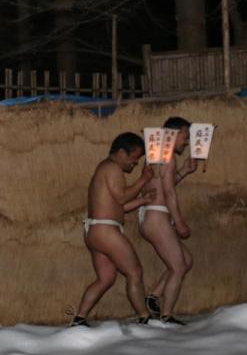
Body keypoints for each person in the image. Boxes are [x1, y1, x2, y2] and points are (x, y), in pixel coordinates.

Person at [71, 132, 156, 326]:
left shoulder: (104, 168)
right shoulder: (112, 168)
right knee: (135, 272)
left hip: (95, 231)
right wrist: (143, 180)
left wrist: (143, 200)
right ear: (121, 153)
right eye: (134, 158)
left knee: (106, 278)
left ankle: (79, 318)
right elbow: (122, 197)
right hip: (106, 231)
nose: (135, 163)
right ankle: (144, 317)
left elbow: (120, 206)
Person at [138, 116, 195, 324]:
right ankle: (166, 316)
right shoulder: (167, 155)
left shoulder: (156, 153)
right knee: (178, 267)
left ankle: (153, 297)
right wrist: (179, 222)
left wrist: (184, 171)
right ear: (174, 133)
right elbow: (169, 193)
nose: (187, 142)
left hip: (152, 215)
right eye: (185, 136)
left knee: (186, 261)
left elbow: (163, 185)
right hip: (157, 216)